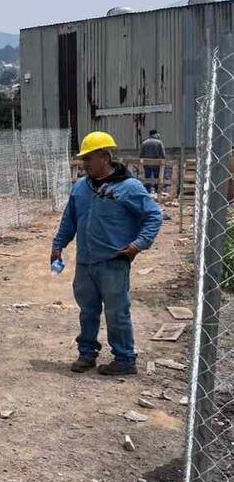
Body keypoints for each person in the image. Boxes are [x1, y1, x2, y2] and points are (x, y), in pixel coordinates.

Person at [51, 131, 163, 376]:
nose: (84, 164)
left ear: (104, 157)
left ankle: (124, 359)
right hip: (86, 263)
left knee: (117, 313)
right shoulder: (81, 187)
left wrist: (138, 244)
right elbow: (69, 220)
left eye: (89, 159)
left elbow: (154, 216)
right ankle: (87, 354)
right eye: (83, 159)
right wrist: (58, 246)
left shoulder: (129, 187)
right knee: (87, 310)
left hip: (113, 262)